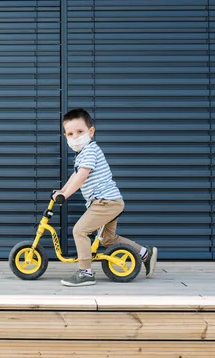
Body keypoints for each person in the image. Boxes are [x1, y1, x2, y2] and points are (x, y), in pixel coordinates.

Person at [53, 108, 158, 287]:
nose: (75, 137)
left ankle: (85, 272)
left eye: (80, 132)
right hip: (109, 202)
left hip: (104, 202)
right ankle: (144, 253)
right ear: (65, 137)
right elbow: (75, 176)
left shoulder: (90, 151)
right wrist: (61, 191)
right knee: (109, 240)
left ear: (91, 132)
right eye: (70, 134)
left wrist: (65, 195)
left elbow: (81, 176)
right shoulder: (82, 155)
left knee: (80, 231)